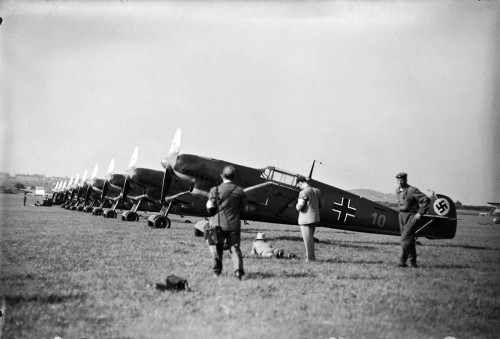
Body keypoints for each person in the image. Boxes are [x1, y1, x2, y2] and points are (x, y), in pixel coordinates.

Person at [206, 165, 249, 280]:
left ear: (222, 176)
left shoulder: (214, 190)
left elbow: (210, 208)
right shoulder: (240, 191)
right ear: (234, 177)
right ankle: (238, 272)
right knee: (234, 248)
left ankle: (216, 272)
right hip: (233, 225)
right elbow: (246, 209)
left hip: (216, 224)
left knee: (216, 249)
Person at [395, 172, 430, 268]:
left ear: (406, 180)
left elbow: (425, 199)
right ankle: (412, 262)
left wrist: (420, 212)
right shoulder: (398, 190)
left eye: (402, 180)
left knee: (404, 238)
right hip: (401, 216)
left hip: (411, 215)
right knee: (409, 240)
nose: (400, 182)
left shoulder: (412, 190)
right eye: (398, 180)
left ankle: (402, 261)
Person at [295, 176, 323, 261]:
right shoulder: (317, 190)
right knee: (311, 240)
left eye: (298, 185)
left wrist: (295, 205)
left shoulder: (303, 192)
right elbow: (320, 205)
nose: (299, 187)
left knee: (307, 241)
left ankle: (310, 259)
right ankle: (311, 257)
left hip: (305, 220)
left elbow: (299, 207)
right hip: (314, 218)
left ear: (300, 182)